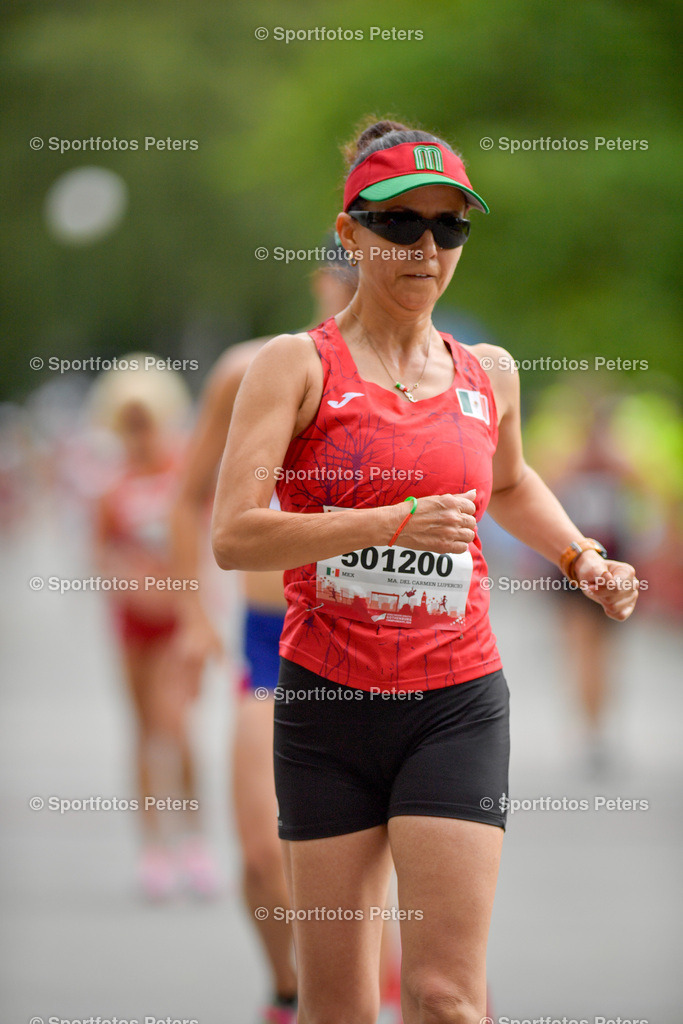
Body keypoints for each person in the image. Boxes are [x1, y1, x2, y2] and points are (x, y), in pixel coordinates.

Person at [210, 119, 639, 1024]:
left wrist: (582, 557)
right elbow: (235, 536)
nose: (427, 248)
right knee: (339, 1006)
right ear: (349, 232)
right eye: (400, 224)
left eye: (449, 227)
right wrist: (391, 520)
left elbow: (510, 484)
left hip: (455, 701)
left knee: (445, 997)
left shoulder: (488, 374)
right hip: (327, 702)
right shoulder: (295, 366)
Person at [170, 250, 410, 1024]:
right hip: (269, 639)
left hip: (371, 636)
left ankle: (386, 992)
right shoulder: (250, 370)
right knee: (262, 854)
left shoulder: (418, 376)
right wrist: (192, 615)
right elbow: (188, 498)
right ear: (323, 279)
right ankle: (287, 989)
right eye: (353, 273)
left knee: (373, 855)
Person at [91, 356, 220, 900]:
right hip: (132, 624)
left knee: (177, 726)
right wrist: (128, 578)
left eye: (146, 423)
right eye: (130, 425)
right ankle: (153, 847)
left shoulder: (182, 477)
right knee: (143, 731)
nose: (139, 435)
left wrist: (190, 600)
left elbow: (208, 540)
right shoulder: (112, 489)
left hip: (177, 622)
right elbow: (102, 552)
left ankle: (193, 840)